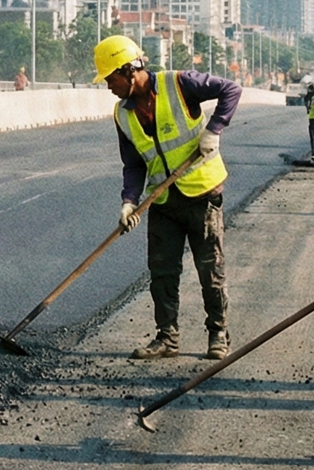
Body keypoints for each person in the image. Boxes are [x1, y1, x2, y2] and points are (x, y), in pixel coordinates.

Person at [95, 34, 242, 361]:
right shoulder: (123, 114)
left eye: (111, 78)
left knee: (210, 268)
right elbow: (133, 163)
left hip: (201, 193)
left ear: (130, 71)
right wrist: (128, 202)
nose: (108, 86)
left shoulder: (180, 84)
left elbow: (231, 89)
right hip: (162, 201)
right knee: (161, 272)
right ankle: (167, 338)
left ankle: (218, 334)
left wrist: (214, 130)